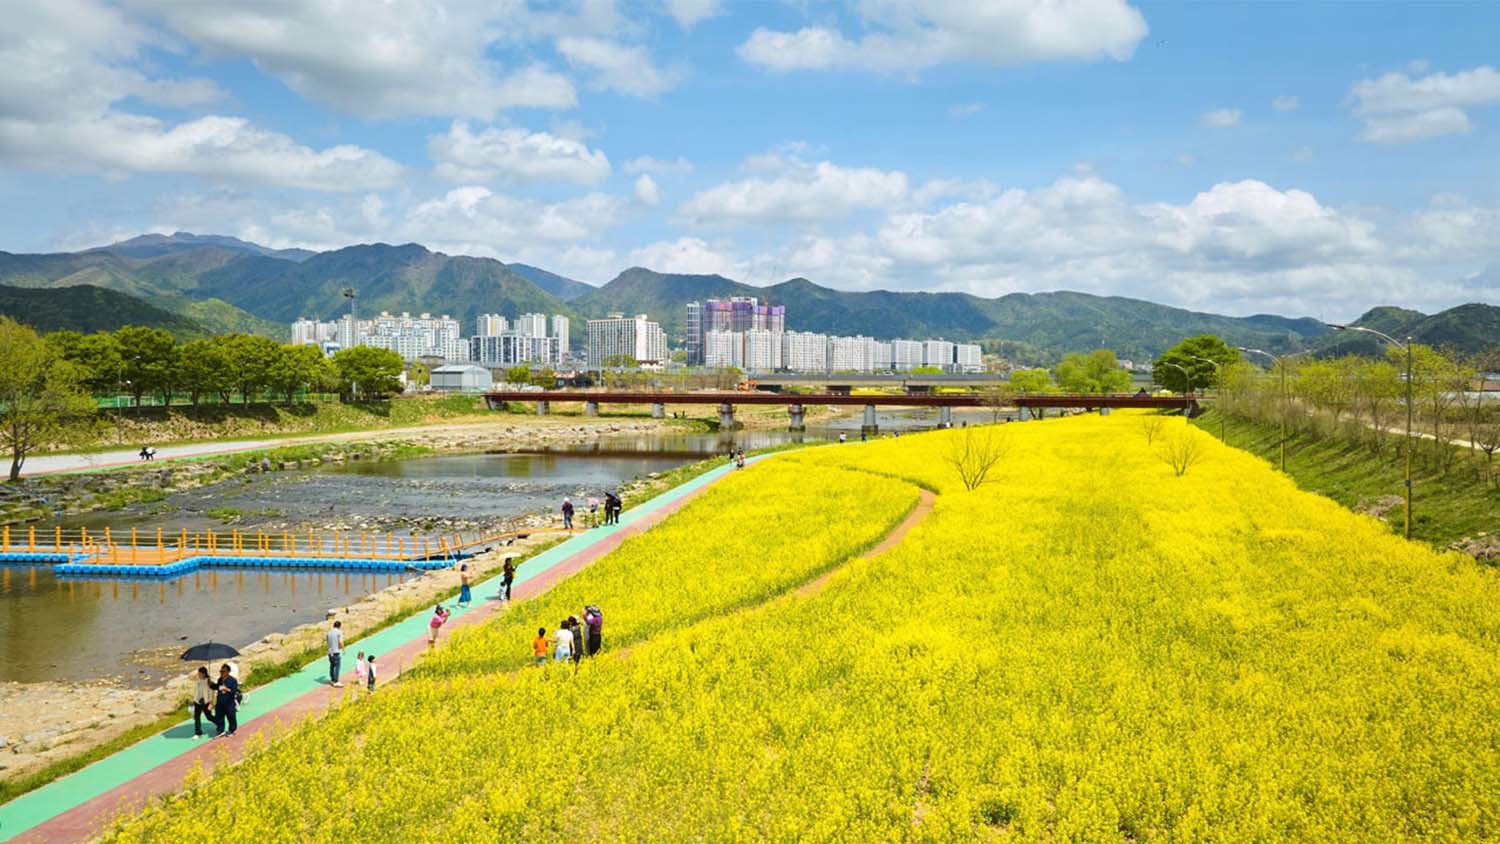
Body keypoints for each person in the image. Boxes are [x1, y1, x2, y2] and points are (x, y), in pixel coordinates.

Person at [207, 663, 239, 738]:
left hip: (229, 703)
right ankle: (220, 730)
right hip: (220, 702)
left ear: (228, 672)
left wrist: (226, 689)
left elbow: (234, 691)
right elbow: (217, 687)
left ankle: (231, 730)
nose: (221, 673)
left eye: (223, 671)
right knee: (219, 717)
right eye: (220, 671)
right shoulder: (220, 679)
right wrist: (211, 684)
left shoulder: (233, 680)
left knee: (231, 717)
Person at [191, 666, 213, 738]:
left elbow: (211, 693)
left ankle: (220, 723)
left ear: (203, 674)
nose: (198, 674)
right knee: (197, 717)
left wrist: (210, 703)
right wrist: (194, 700)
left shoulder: (208, 682)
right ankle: (198, 733)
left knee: (209, 717)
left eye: (199, 673)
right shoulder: (198, 681)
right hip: (197, 702)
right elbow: (196, 692)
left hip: (205, 702)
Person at [327, 620, 345, 687]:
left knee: (332, 666)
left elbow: (328, 642)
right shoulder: (339, 632)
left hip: (330, 652)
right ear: (339, 626)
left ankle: (332, 679)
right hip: (336, 652)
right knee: (337, 666)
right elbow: (340, 641)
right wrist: (343, 649)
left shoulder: (329, 632)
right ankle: (336, 681)